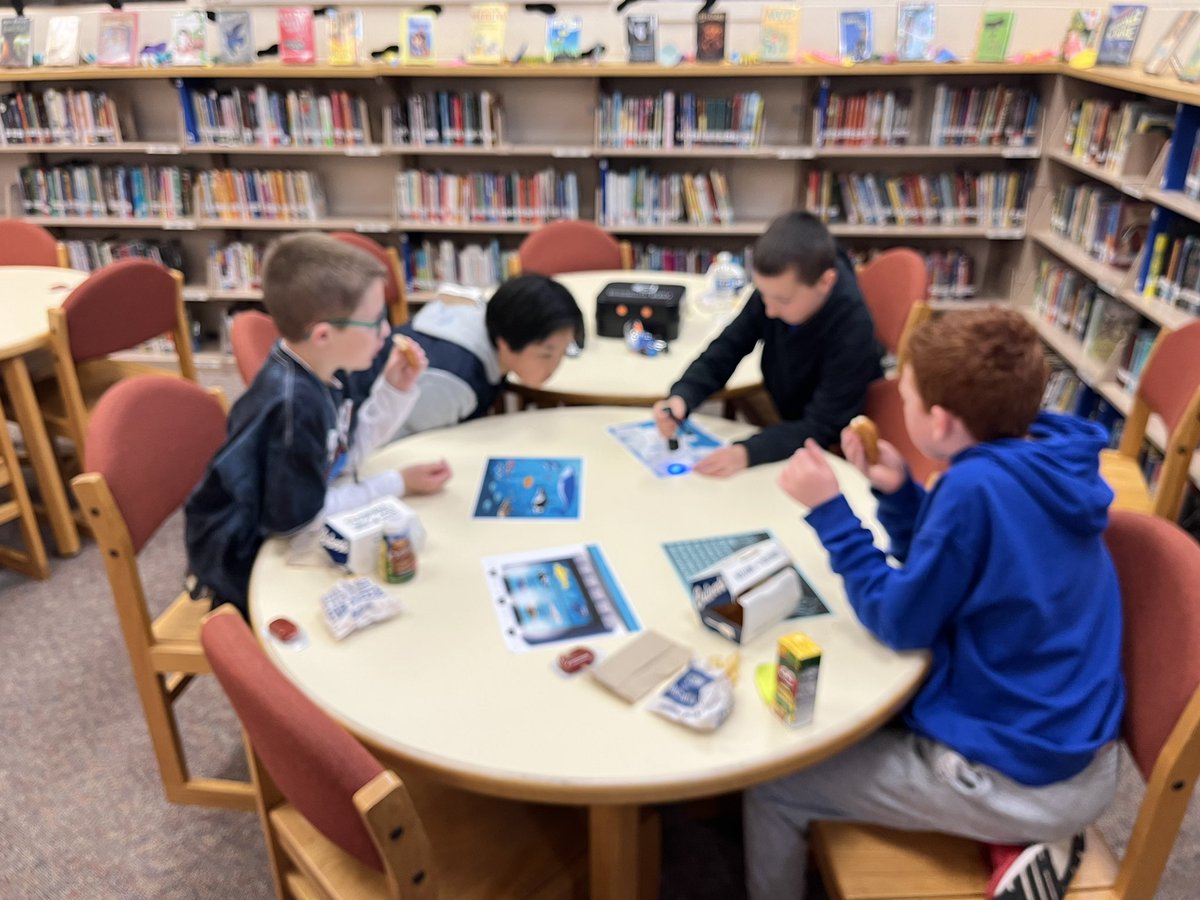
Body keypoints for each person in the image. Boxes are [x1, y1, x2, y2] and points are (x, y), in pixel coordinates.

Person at [745, 308, 1124, 900]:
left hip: (1022, 774)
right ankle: (1015, 842)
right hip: (1069, 739)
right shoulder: (1044, 450)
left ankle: (1018, 830)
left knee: (775, 782)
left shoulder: (971, 488)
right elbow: (963, 563)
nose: (902, 404)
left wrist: (830, 513)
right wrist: (899, 496)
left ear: (942, 423)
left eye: (910, 396)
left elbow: (900, 621)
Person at [185, 234, 452, 617]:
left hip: (289, 513)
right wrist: (397, 483)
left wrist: (395, 389)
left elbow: (342, 456)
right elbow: (300, 522)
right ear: (324, 335)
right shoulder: (295, 406)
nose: (387, 333)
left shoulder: (323, 369)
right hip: (242, 559)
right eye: (375, 321)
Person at [653, 211, 881, 477]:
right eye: (763, 295)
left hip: (828, 438)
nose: (769, 311)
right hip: (785, 405)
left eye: (782, 301)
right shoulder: (776, 292)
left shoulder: (853, 326)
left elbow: (823, 425)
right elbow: (729, 347)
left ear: (825, 282)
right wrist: (684, 394)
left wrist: (749, 452)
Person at [360, 273, 584, 438]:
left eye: (564, 351)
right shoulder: (450, 383)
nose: (556, 366)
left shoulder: (490, 318)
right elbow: (406, 447)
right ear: (505, 343)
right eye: (546, 355)